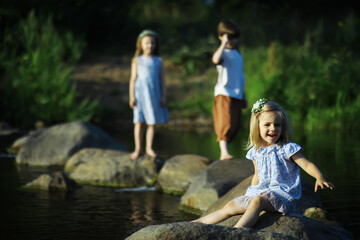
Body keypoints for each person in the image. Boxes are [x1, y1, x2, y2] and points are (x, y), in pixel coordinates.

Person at [192, 98, 335, 228]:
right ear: (257, 126)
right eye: (267, 125)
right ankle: (195, 223)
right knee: (230, 205)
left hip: (281, 194)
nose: (273, 128)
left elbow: (306, 164)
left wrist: (319, 176)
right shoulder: (256, 151)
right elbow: (257, 176)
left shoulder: (286, 148)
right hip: (261, 192)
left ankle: (237, 231)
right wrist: (249, 194)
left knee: (257, 202)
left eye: (277, 125)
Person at [129, 30, 169, 160]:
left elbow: (162, 79)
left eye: (152, 43)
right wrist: (131, 96)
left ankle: (149, 148)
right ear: (141, 44)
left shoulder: (158, 60)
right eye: (147, 43)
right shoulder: (137, 60)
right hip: (140, 94)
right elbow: (133, 79)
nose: (149, 45)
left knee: (152, 122)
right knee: (139, 122)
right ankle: (138, 148)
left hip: (154, 94)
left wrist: (164, 96)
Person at [212, 19, 247, 160]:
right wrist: (223, 44)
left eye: (234, 38)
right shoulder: (223, 53)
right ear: (221, 36)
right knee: (225, 122)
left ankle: (226, 150)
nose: (231, 41)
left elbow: (240, 76)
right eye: (228, 37)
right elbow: (215, 60)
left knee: (235, 125)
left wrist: (243, 95)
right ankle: (224, 152)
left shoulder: (238, 55)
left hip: (237, 94)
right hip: (224, 92)